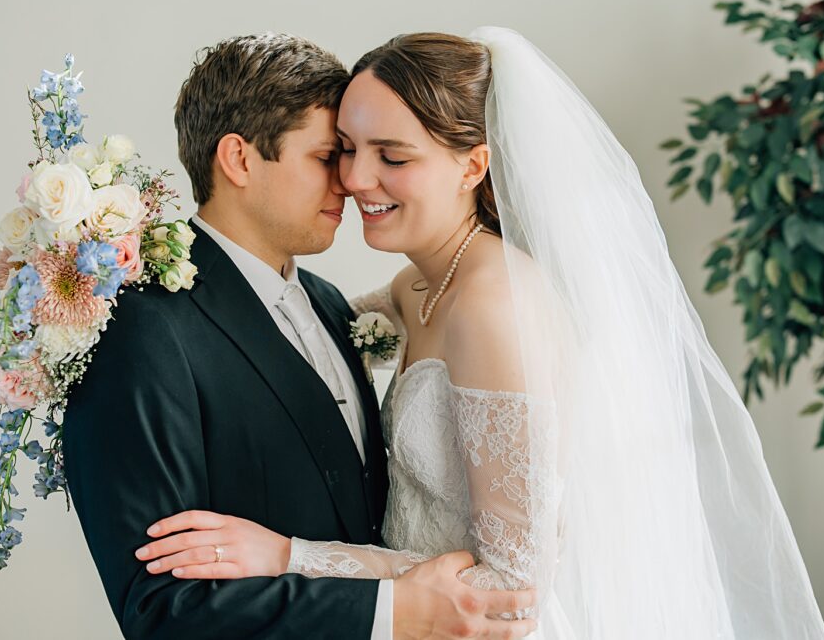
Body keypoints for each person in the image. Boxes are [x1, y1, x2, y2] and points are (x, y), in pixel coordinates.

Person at [138, 28, 824, 638]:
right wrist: (109, 274)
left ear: (473, 164)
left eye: (393, 156)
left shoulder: (497, 305)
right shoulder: (417, 286)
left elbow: (512, 587)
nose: (355, 179)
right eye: (345, 150)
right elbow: (269, 331)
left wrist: (288, 555)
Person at [63, 32, 536, 640]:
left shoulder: (333, 305)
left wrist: (297, 556)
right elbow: (160, 611)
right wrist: (393, 611)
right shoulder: (142, 325)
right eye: (329, 155)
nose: (352, 180)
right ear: (239, 159)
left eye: (368, 154)